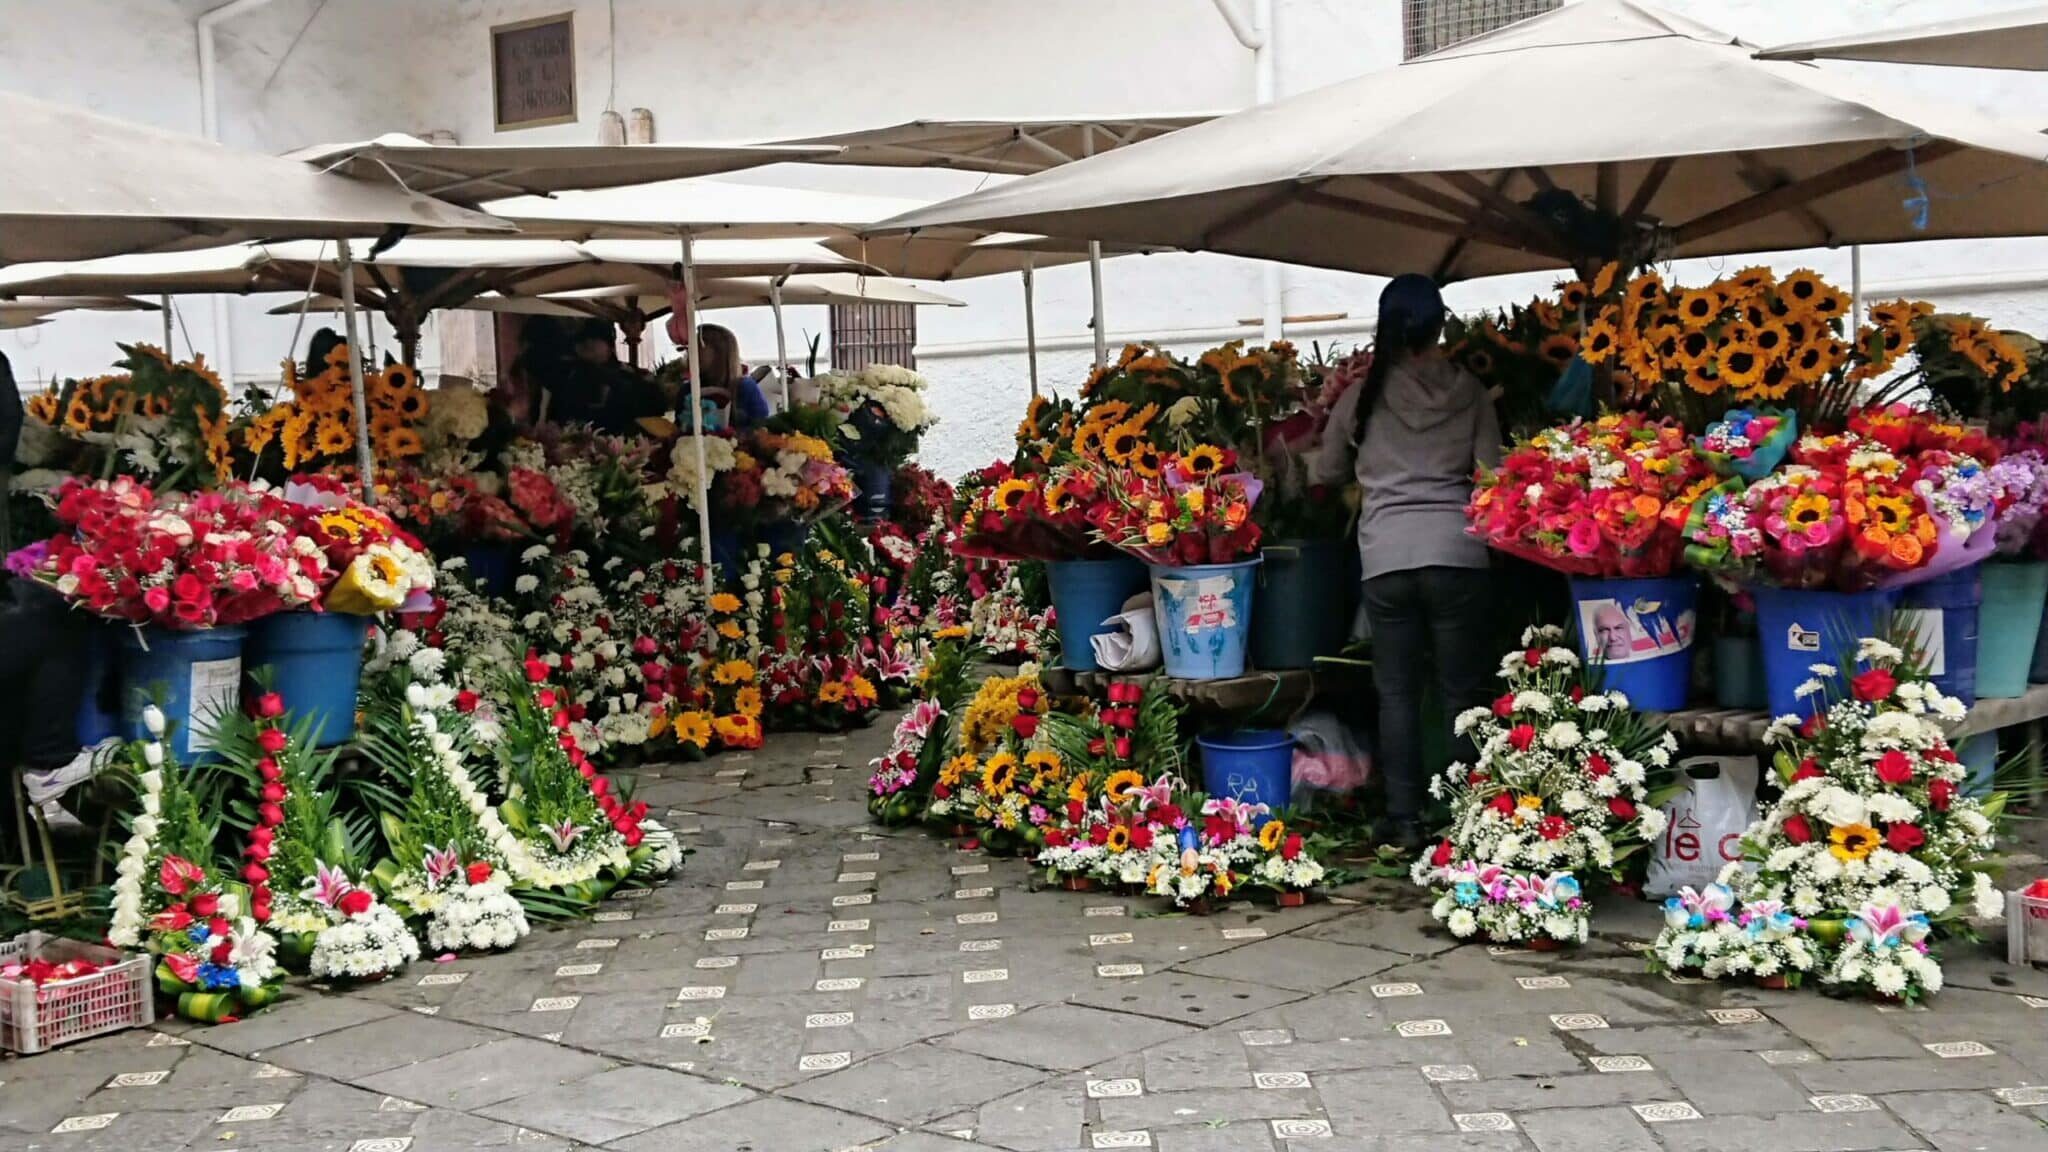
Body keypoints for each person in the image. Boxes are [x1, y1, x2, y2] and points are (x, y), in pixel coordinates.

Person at [1310, 273, 1502, 853]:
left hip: (1387, 558)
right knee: (1460, 691)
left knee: (1394, 692)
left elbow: (1325, 471)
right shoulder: (1468, 390)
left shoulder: (1363, 394)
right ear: (1441, 324)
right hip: (1458, 553)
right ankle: (1465, 813)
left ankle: (1404, 817)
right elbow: (1493, 472)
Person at [688, 324, 771, 431]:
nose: (691, 352)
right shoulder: (688, 390)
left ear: (719, 352)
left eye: (699, 346)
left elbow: (762, 427)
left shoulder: (745, 387)